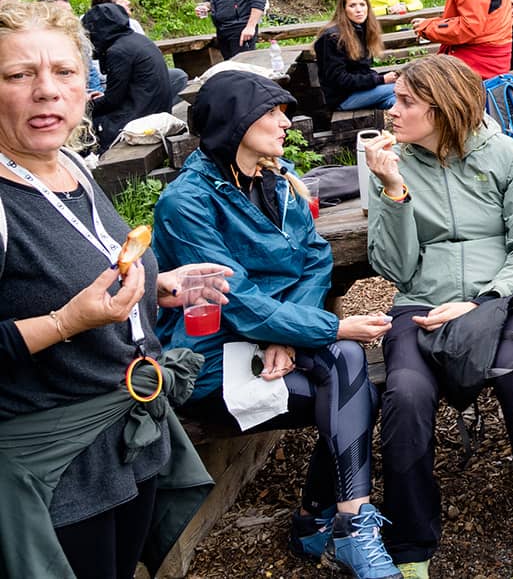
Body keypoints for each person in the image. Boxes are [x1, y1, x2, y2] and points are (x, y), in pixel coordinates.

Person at [0, 1, 227, 579]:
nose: (47, 90)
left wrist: (157, 288)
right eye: (19, 74)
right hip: (55, 467)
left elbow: (84, 268)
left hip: (128, 440)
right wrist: (65, 324)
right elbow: (59, 309)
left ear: (87, 83)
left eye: (64, 71)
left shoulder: (69, 164)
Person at [151, 70, 399, 578]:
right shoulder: (187, 202)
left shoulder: (278, 180)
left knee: (347, 365)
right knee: (353, 386)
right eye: (271, 113)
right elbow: (234, 299)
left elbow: (315, 260)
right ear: (235, 122)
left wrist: (286, 336)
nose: (285, 123)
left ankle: (344, 525)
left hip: (274, 336)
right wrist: (324, 329)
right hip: (210, 354)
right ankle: (322, 521)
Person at [364, 55, 513, 578]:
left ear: (442, 110)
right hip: (422, 304)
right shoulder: (393, 165)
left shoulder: (505, 155)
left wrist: (484, 299)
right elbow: (395, 268)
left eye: (406, 102)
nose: (392, 111)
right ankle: (410, 548)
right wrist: (393, 191)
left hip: (506, 299)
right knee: (406, 394)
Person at [81, 2, 184, 151]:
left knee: (86, 122)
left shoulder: (118, 51)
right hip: (155, 107)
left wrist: (84, 106)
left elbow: (113, 101)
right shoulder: (137, 40)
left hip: (141, 116)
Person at [314, 0, 399, 111]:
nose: (359, 10)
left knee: (397, 101)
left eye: (362, 4)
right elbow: (340, 79)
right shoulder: (332, 37)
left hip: (361, 92)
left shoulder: (362, 30)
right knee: (404, 87)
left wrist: (381, 77)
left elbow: (360, 70)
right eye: (352, 5)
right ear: (343, 10)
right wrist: (381, 79)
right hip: (343, 98)